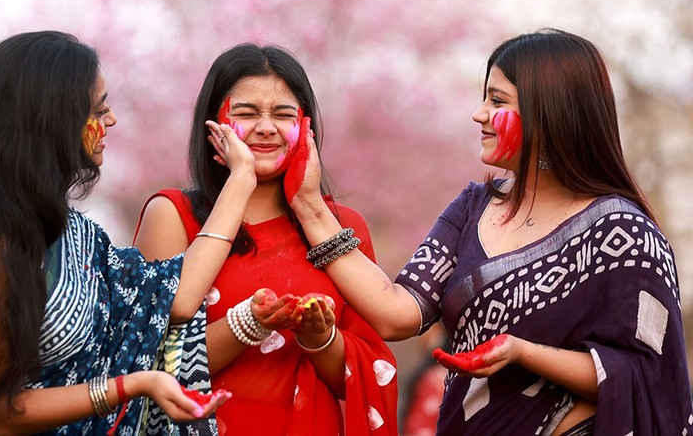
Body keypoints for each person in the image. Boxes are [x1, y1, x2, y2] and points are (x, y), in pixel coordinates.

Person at [287, 28, 693, 435]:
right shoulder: (473, 208)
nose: (478, 113)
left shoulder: (622, 233)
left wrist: (521, 352)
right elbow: (398, 314)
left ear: (548, 112)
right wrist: (310, 207)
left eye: (497, 101)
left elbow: (645, 373)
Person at [0, 30, 256, 435]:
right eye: (99, 111)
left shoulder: (70, 232)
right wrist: (132, 384)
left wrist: (241, 179)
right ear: (54, 121)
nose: (111, 120)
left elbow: (178, 296)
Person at [133, 43, 398, 435]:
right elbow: (145, 360)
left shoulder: (340, 226)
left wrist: (320, 338)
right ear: (214, 125)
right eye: (246, 113)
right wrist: (246, 325)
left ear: (305, 126)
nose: (266, 127)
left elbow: (367, 374)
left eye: (283, 114)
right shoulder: (173, 215)